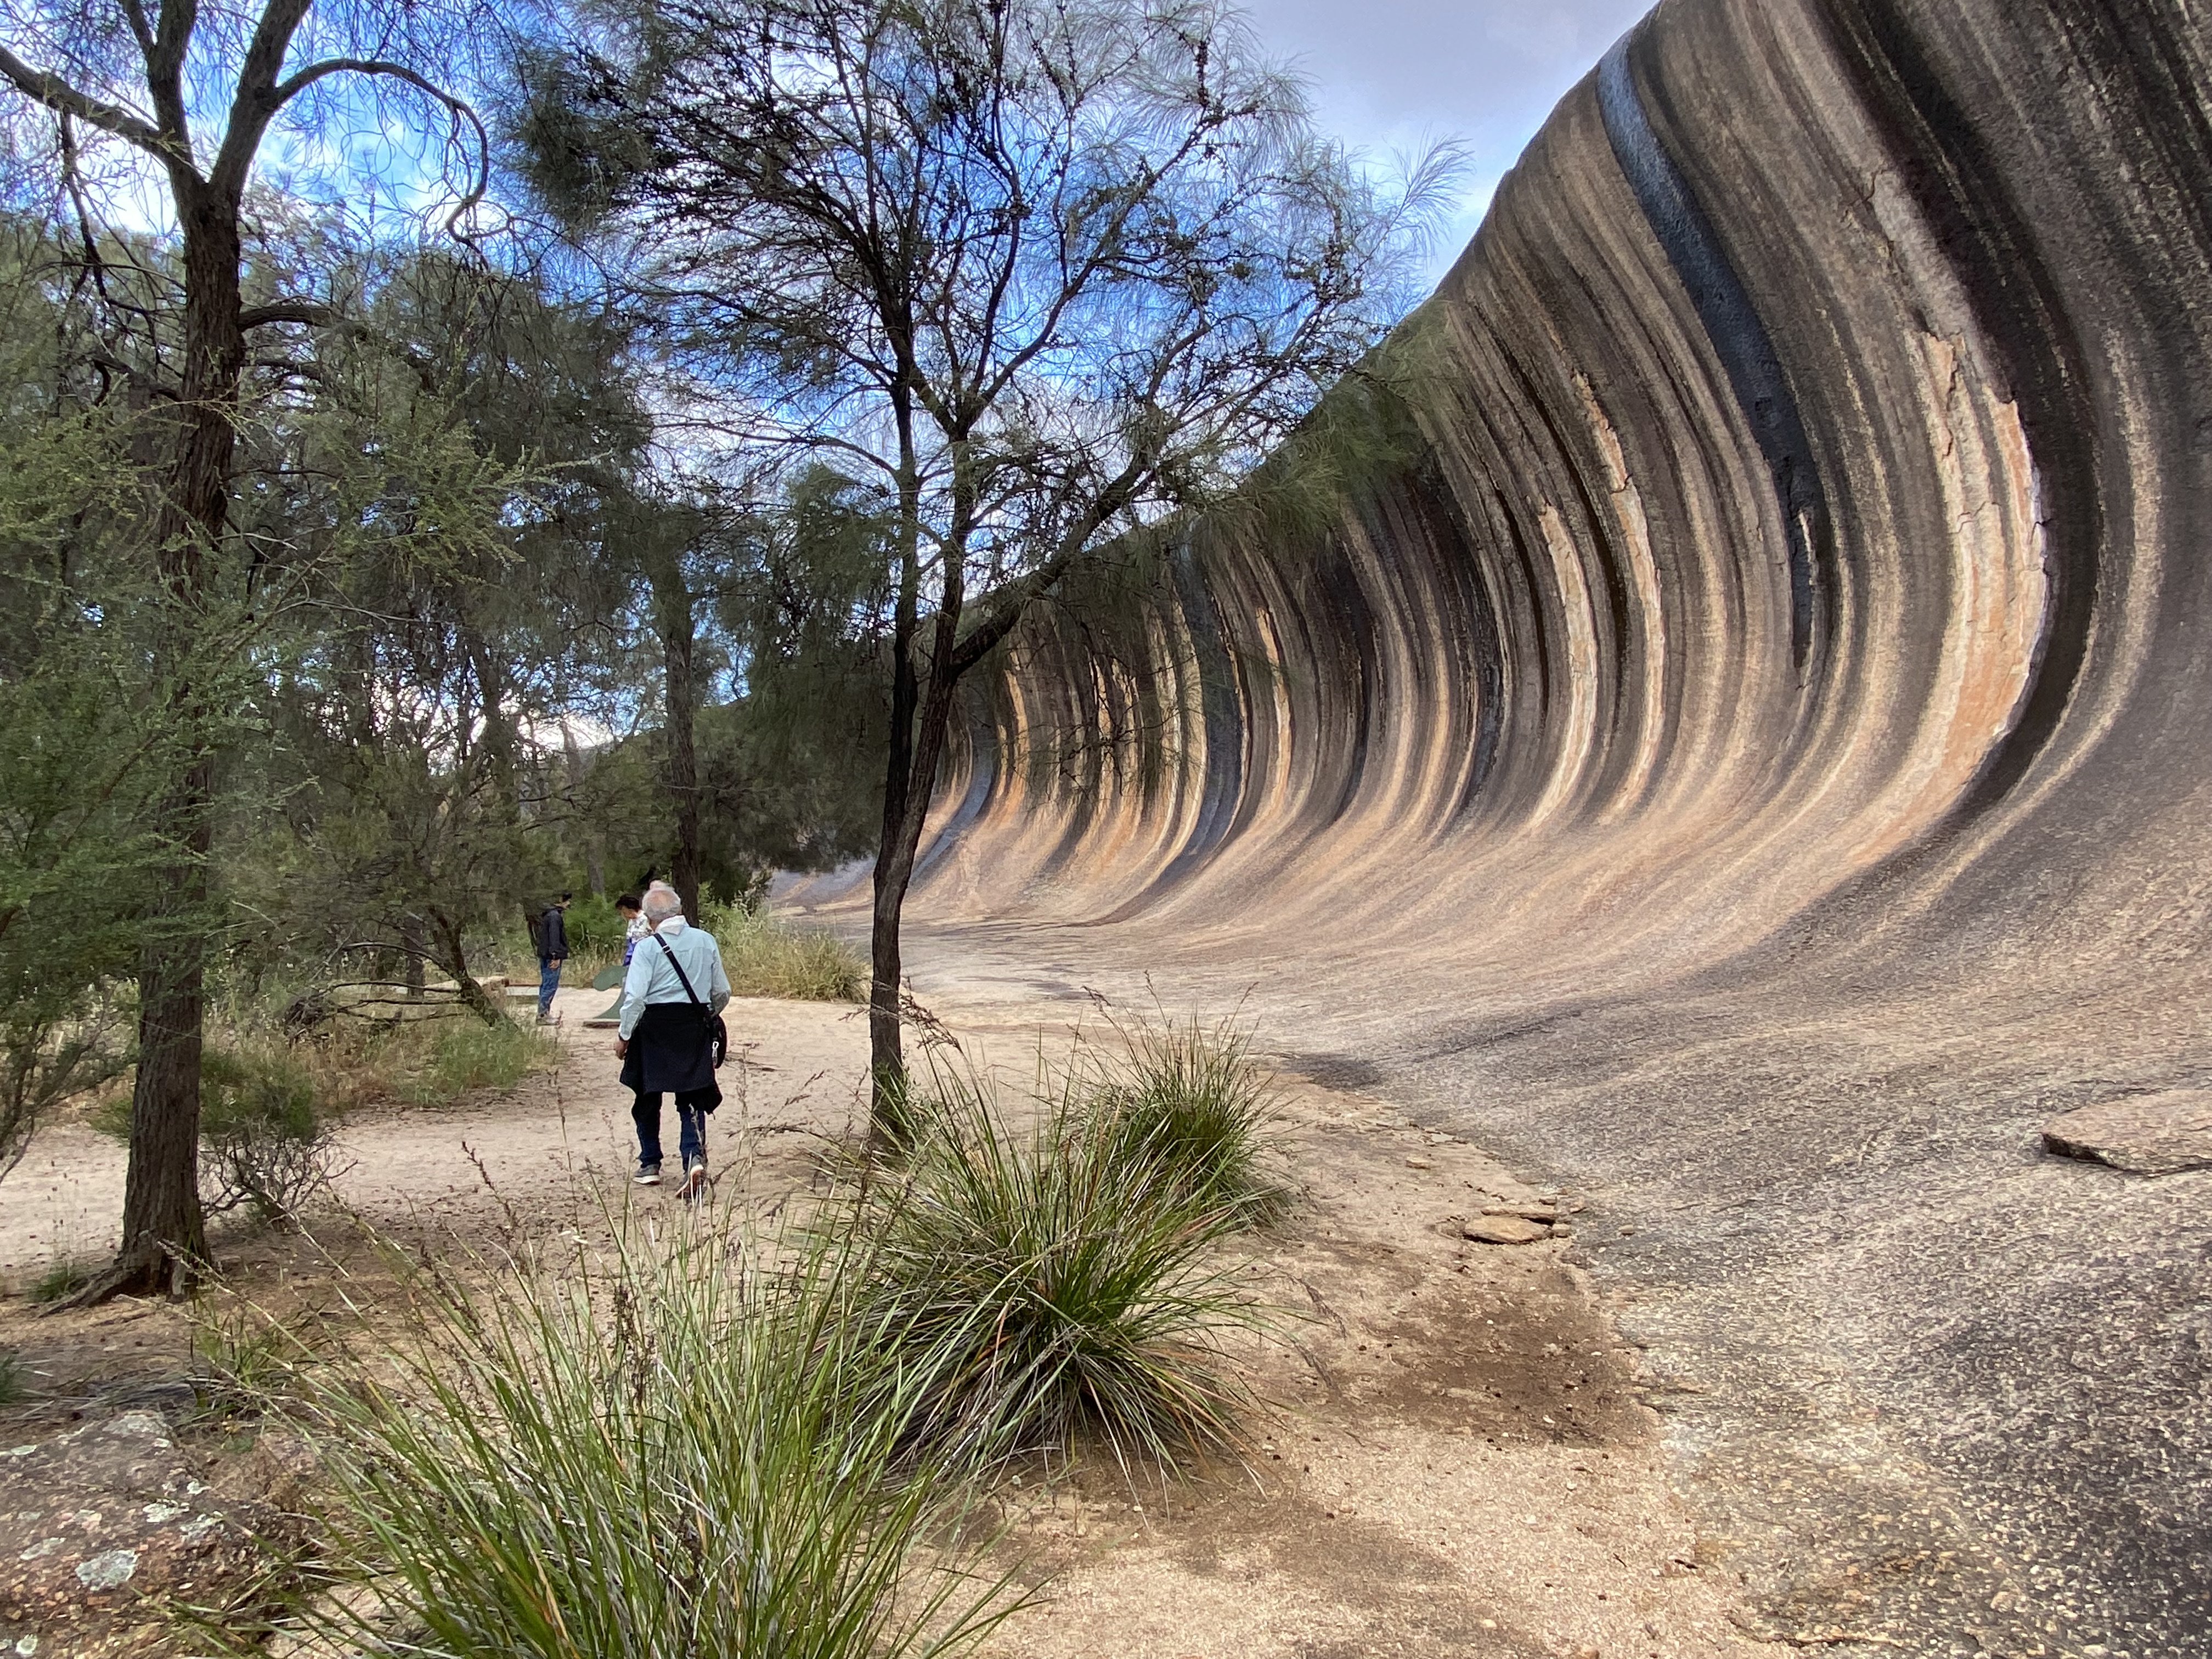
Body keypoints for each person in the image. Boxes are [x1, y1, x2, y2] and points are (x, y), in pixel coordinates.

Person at [616, 886, 730, 1194]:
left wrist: (624, 1036)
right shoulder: (706, 941)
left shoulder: (647, 948)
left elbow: (635, 998)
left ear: (650, 918)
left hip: (653, 1028)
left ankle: (650, 1164)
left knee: (646, 1096)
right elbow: (722, 991)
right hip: (692, 1026)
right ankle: (694, 1159)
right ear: (679, 910)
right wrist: (705, 1015)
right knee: (693, 1096)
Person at [534, 892, 572, 1025]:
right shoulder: (555, 917)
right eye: (567, 901)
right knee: (550, 985)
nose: (569, 904)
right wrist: (555, 956)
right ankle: (543, 1015)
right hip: (551, 956)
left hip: (545, 954)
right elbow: (554, 937)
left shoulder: (548, 915)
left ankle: (543, 1012)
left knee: (546, 985)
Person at [617, 894, 648, 966]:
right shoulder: (632, 921)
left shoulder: (646, 919)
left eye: (625, 912)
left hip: (643, 955)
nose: (624, 915)